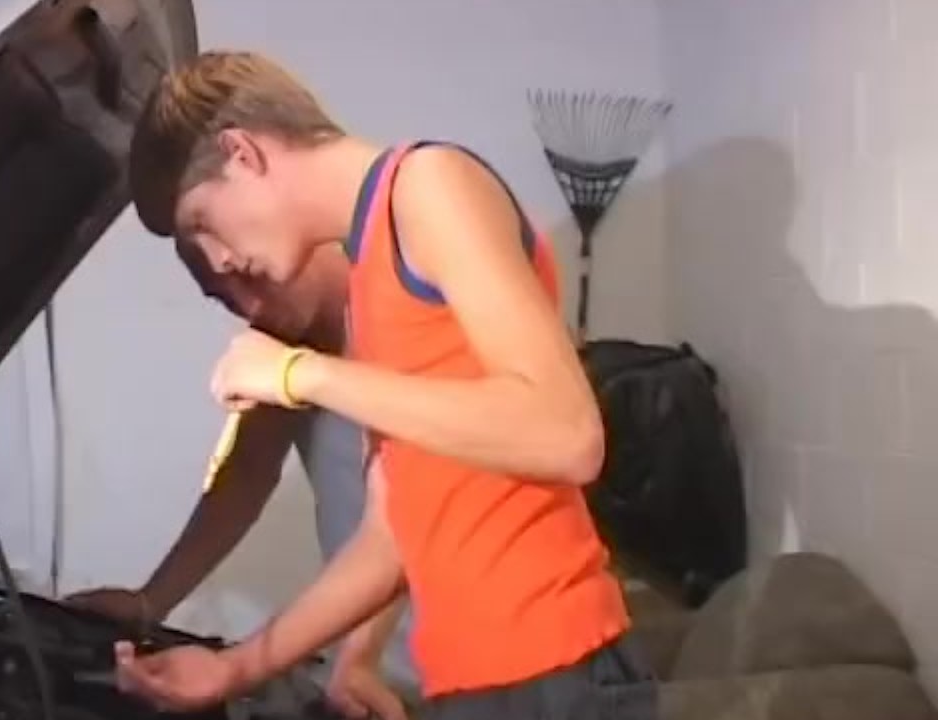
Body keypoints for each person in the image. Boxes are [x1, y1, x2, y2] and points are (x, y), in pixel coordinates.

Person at [113, 50, 656, 720]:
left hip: (555, 671)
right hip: (474, 683)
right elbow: (390, 533)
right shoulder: (372, 278)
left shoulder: (428, 184)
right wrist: (236, 667)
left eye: (202, 223)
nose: (220, 259)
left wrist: (299, 374)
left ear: (243, 154)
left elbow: (566, 434)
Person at [64, 238, 417, 720]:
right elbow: (247, 470)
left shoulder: (412, 295)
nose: (248, 306)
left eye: (246, 272)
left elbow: (409, 514)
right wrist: (151, 602)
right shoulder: (284, 339)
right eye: (222, 295)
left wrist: (361, 653)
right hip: (361, 671)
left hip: (469, 657)